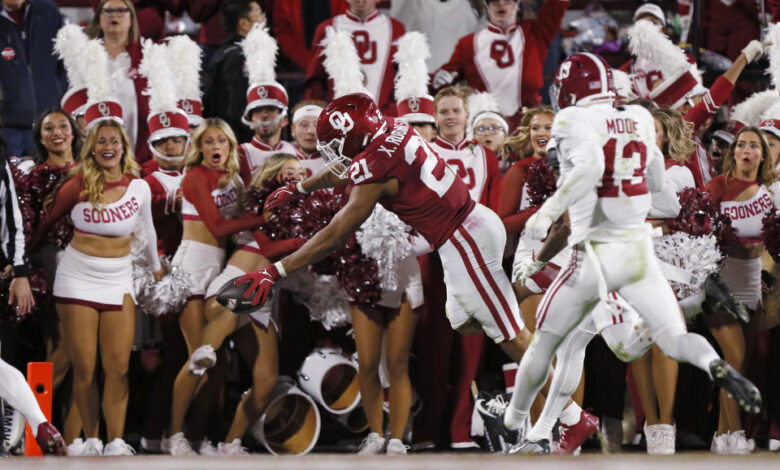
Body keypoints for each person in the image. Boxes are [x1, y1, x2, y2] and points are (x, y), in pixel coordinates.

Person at [500, 53, 761, 454]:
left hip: (594, 257)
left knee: (549, 342)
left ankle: (519, 425)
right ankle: (696, 311)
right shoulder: (638, 123)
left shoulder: (573, 125)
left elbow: (571, 209)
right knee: (658, 339)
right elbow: (671, 203)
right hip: (637, 251)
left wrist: (537, 257)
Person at [226, 93, 532, 396]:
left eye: (336, 145)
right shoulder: (391, 126)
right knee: (464, 319)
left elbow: (336, 233)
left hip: (466, 237)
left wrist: (275, 271)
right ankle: (518, 290)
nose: (333, 152)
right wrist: (301, 187)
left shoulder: (375, 167)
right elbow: (350, 165)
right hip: (465, 229)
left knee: (509, 335)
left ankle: (569, 418)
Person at [30, 118, 162, 456]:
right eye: (101, 141)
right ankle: (89, 439)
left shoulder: (140, 187)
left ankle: (116, 441)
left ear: (123, 147)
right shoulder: (77, 185)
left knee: (117, 367)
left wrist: (158, 270)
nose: (107, 147)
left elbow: (147, 233)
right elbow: (44, 225)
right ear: (92, 148)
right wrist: (21, 266)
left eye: (114, 141)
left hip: (118, 279)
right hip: (77, 278)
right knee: (84, 366)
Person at [162, 118, 266, 456]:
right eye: (208, 142)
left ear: (231, 146)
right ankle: (173, 435)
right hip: (194, 267)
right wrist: (265, 218)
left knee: (218, 369)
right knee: (199, 360)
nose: (215, 147)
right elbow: (218, 226)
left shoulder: (233, 179)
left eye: (222, 140)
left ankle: (194, 437)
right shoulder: (194, 177)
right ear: (199, 147)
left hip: (220, 266)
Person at [704, 127, 779, 454]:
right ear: (734, 151)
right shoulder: (717, 187)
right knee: (732, 357)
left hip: (752, 286)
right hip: (719, 284)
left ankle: (721, 436)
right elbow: (696, 231)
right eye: (742, 145)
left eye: (755, 146)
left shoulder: (770, 192)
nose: (747, 150)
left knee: (740, 364)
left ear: (763, 154)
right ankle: (735, 433)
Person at [432, 0, 568, 128]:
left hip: (527, 124)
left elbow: (556, 6)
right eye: (495, 1)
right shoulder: (468, 44)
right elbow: (443, 77)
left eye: (508, 0)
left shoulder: (534, 33)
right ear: (487, 6)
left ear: (517, 5)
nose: (501, 4)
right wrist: (439, 78)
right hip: (485, 125)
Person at [304, 0, 405, 114]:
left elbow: (403, 77)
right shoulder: (328, 28)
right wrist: (315, 112)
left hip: (384, 116)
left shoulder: (396, 28)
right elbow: (316, 79)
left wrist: (392, 111)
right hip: (338, 117)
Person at [86, 0, 152, 163]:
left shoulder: (149, 55)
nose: (114, 15)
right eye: (108, 11)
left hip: (139, 142)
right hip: (96, 142)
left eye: (121, 11)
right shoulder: (84, 54)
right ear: (99, 17)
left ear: (132, 18)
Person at [0, 0, 68, 157]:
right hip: (7, 127)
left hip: (49, 123)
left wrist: (58, 97)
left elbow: (65, 61)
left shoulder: (48, 10)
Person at [202, 0, 266, 144]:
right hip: (237, 140)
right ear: (244, 23)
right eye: (259, 14)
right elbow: (237, 108)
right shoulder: (238, 56)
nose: (264, 18)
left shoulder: (225, 52)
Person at [289, 101, 327, 176]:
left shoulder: (340, 165)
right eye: (304, 125)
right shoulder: (280, 161)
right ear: (293, 129)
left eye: (317, 125)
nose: (310, 131)